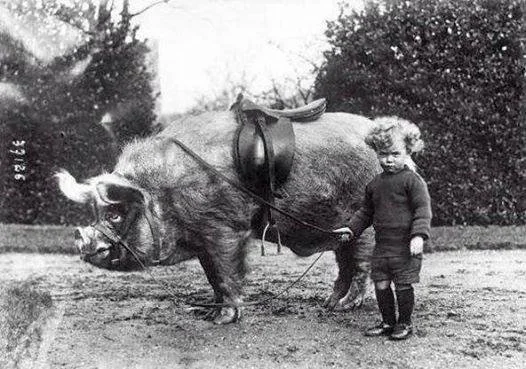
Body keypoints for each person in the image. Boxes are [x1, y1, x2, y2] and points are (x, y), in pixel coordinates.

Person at [333, 117, 432, 340]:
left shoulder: (413, 182)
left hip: (405, 246)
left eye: (395, 154)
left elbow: (422, 210)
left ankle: (405, 323)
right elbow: (365, 213)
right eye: (383, 154)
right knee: (381, 284)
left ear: (408, 151)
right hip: (382, 247)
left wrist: (418, 235)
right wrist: (351, 229)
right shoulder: (374, 184)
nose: (388, 160)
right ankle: (387, 321)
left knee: (403, 285)